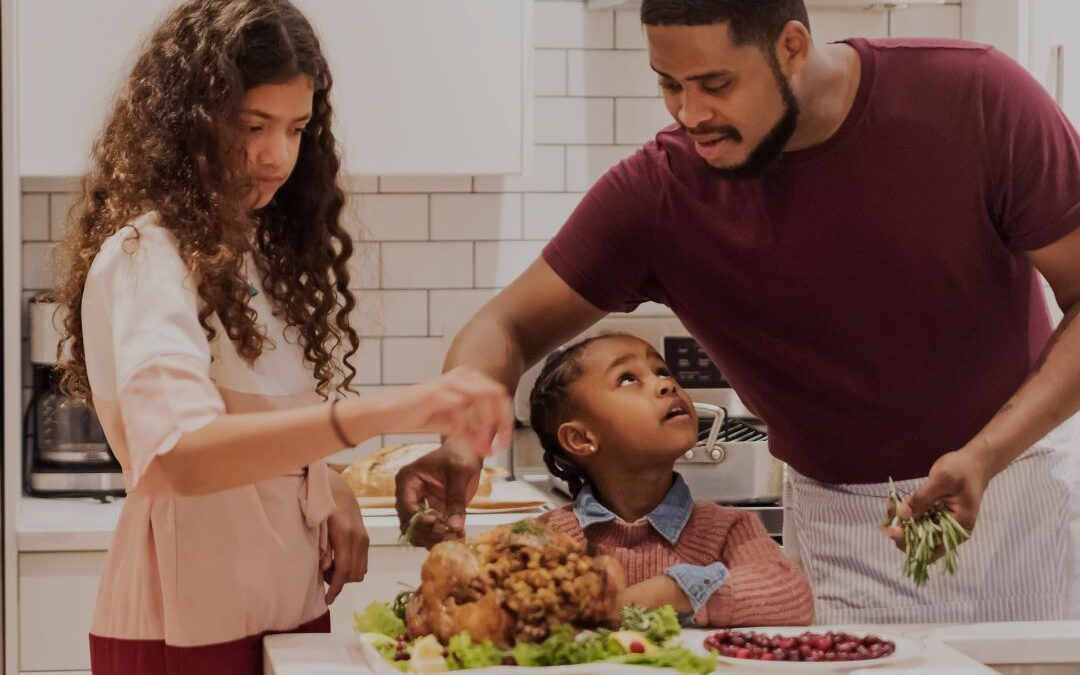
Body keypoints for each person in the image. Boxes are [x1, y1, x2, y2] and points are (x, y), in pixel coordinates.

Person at [397, 0, 1080, 624]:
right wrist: (461, 436)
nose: (689, 114)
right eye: (669, 84)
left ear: (791, 47)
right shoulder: (660, 194)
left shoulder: (977, 96)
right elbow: (503, 326)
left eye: (716, 84)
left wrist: (987, 454)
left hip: (1016, 498)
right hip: (842, 533)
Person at [53, 1, 511, 673]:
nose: (278, 156)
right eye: (252, 125)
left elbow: (250, 432)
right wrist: (391, 411)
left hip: (284, 608)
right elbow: (180, 457)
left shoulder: (250, 255)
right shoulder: (146, 257)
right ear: (187, 125)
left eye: (296, 128)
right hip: (188, 627)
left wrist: (325, 483)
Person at [531, 333, 814, 626]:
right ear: (580, 438)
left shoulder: (727, 530)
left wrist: (675, 590)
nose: (666, 384)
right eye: (628, 379)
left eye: (662, 371)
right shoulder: (550, 538)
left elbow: (792, 594)